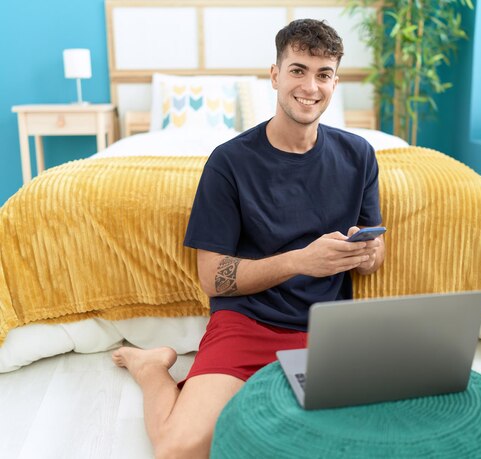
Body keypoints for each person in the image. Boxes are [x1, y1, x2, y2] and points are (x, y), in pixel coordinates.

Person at [112, 18, 385, 458]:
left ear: (335, 81)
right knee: (179, 449)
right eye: (298, 70)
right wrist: (300, 261)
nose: (310, 87)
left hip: (329, 330)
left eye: (324, 74)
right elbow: (211, 278)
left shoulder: (359, 155)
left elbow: (374, 256)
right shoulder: (228, 162)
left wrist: (369, 252)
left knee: (356, 444)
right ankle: (150, 368)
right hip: (246, 322)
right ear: (275, 75)